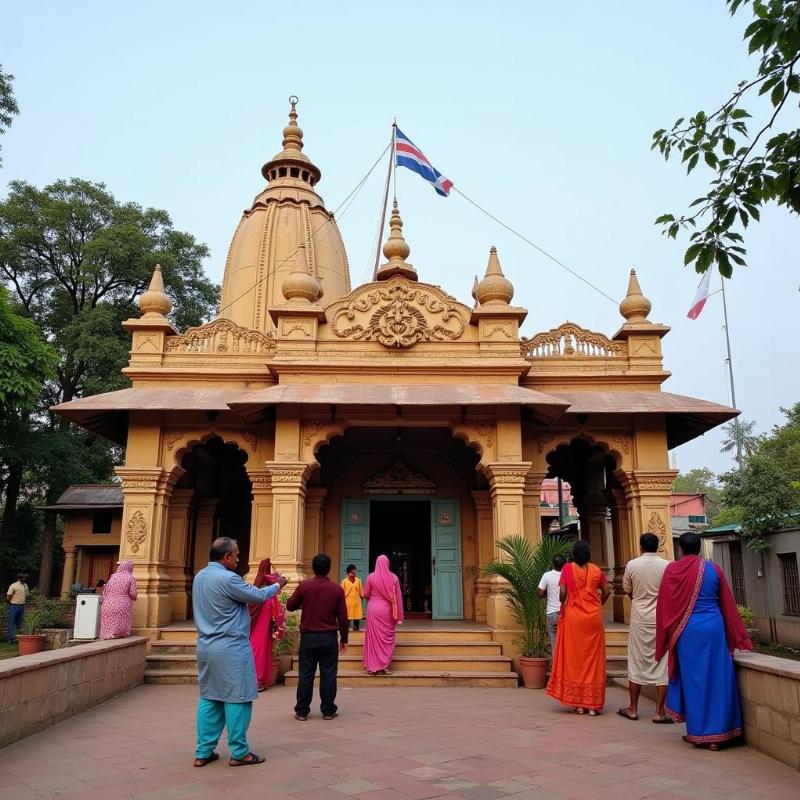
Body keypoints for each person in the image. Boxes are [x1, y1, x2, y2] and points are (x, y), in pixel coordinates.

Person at [192, 537, 287, 767]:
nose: (237, 559)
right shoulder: (228, 578)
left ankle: (203, 751)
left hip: (206, 645)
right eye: (235, 555)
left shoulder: (200, 576)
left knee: (210, 697)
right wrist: (278, 585)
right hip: (230, 647)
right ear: (225, 557)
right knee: (238, 697)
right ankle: (239, 751)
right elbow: (258, 595)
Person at [656, 531, 752, 750]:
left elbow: (664, 607)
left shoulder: (672, 570)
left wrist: (663, 638)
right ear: (699, 548)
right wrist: (737, 635)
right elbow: (727, 604)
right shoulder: (713, 569)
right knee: (718, 679)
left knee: (695, 682)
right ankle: (720, 733)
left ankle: (700, 733)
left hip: (688, 632)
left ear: (681, 549)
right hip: (714, 630)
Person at [546, 540, 610, 716]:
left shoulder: (567, 569)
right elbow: (606, 591)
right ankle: (592, 705)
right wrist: (598, 604)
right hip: (594, 619)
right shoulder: (597, 570)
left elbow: (563, 594)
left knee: (576, 659)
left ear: (574, 554)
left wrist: (562, 600)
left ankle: (579, 704)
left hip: (574, 618)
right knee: (593, 659)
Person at [286, 553, 349, 721]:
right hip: (328, 637)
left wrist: (303, 603)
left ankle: (302, 711)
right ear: (328, 569)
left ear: (313, 568)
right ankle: (328, 710)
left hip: (308, 637)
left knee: (306, 674)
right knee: (328, 674)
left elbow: (290, 606)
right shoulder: (336, 589)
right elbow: (343, 617)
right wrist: (344, 639)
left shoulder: (305, 587)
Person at [617, 533, 672, 723]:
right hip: (660, 619)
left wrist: (639, 602)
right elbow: (671, 592)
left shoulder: (632, 565)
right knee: (662, 664)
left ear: (640, 546)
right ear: (658, 546)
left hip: (639, 619)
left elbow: (627, 589)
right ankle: (659, 712)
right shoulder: (667, 565)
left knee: (636, 662)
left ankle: (633, 708)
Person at [363, 554, 405, 676]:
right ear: (388, 564)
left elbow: (366, 594)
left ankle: (372, 667)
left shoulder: (371, 577)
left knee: (374, 638)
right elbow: (398, 598)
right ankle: (385, 666)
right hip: (387, 611)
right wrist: (399, 616)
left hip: (374, 609)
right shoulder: (394, 578)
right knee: (387, 639)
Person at [248, 558, 284, 692]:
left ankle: (258, 681)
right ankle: (258, 681)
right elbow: (279, 585)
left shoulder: (259, 583)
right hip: (263, 624)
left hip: (260, 625)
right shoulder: (268, 584)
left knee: (258, 651)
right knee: (261, 651)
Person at [99, 561, 138, 639]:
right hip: (122, 604)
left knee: (108, 623)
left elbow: (105, 591)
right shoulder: (130, 578)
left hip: (107, 604)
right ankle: (118, 635)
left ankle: (107, 635)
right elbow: (133, 594)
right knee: (120, 624)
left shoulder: (113, 577)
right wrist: (134, 598)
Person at [538, 555, 566, 655]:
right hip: (565, 613)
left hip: (552, 613)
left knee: (554, 645)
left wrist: (548, 592)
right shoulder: (567, 576)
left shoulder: (547, 575)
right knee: (565, 644)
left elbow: (540, 594)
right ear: (564, 564)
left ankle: (556, 669)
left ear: (552, 564)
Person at [6, 572, 29, 644]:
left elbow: (26, 595)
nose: (25, 578)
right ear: (20, 578)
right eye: (24, 577)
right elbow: (8, 597)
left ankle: (18, 638)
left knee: (19, 623)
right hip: (14, 606)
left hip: (22, 606)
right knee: (11, 622)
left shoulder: (25, 585)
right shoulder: (13, 586)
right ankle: (11, 639)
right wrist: (10, 604)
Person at [341, 564, 364, 631]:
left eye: (355, 572)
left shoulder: (358, 580)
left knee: (357, 619)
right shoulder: (344, 581)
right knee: (347, 618)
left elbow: (361, 591)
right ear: (348, 573)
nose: (354, 574)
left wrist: (362, 597)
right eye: (353, 573)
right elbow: (342, 592)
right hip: (348, 603)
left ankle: (356, 628)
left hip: (357, 602)